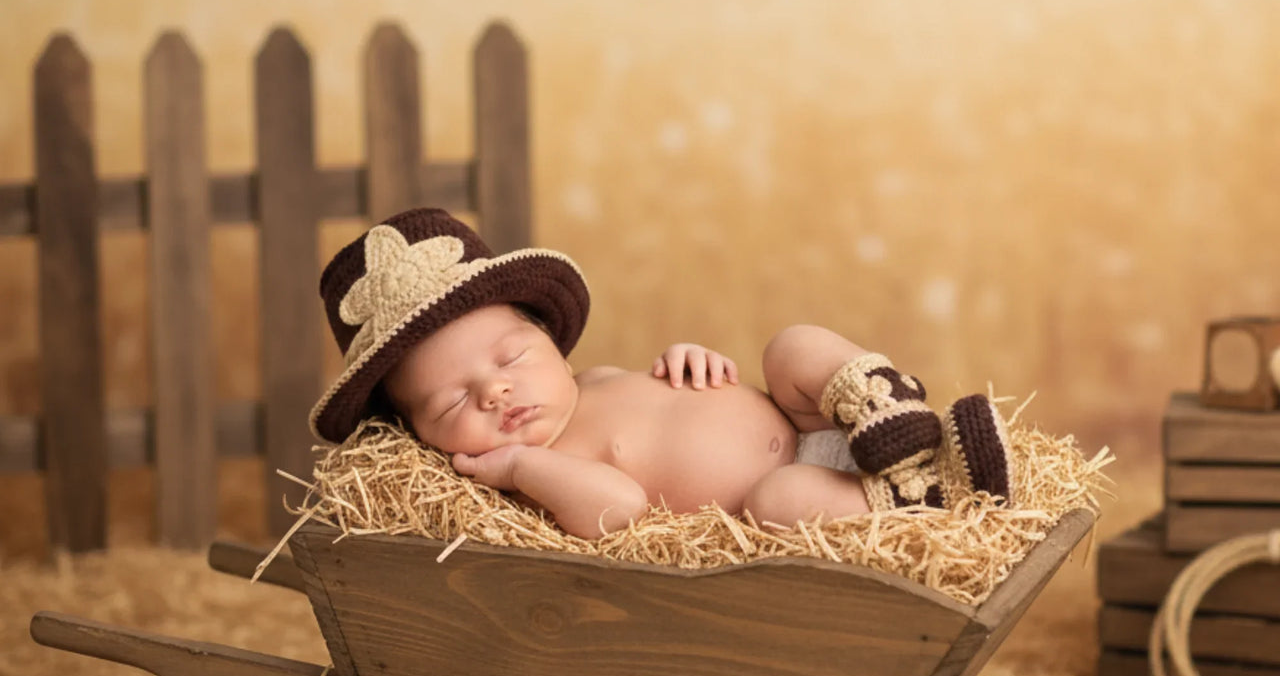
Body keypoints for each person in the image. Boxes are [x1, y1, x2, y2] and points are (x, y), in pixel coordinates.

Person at [310, 208, 1014, 541]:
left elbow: (683, 395)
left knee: (791, 347)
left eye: (510, 359)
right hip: (796, 489)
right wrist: (522, 467)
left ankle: (887, 413)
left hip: (807, 419)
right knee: (782, 498)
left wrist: (691, 358)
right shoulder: (544, 469)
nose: (495, 391)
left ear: (552, 341)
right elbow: (618, 512)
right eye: (452, 401)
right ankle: (926, 494)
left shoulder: (604, 378)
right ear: (422, 436)